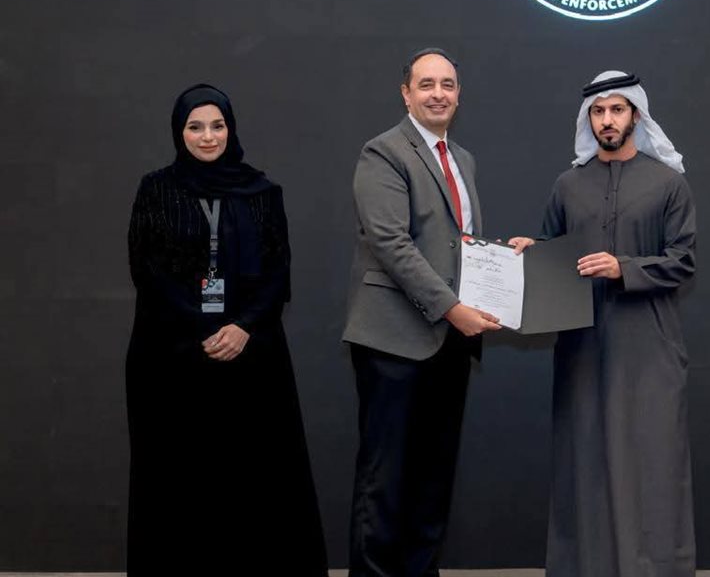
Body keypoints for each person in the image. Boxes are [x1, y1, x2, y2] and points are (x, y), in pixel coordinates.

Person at [125, 83, 326, 576]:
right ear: (179, 132)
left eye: (217, 126)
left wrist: (241, 327)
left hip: (250, 356)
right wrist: (203, 327)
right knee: (179, 478)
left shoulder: (262, 192)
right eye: (195, 127)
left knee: (253, 477)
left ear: (231, 129)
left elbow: (278, 272)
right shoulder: (156, 189)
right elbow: (146, 269)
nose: (208, 136)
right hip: (172, 358)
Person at [511, 70, 697, 577]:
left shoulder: (669, 184)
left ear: (635, 115)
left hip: (649, 347)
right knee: (585, 462)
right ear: (588, 119)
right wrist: (530, 253)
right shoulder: (568, 186)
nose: (607, 120)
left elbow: (683, 262)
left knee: (652, 462)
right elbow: (552, 253)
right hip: (583, 350)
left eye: (617, 110)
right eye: (598, 111)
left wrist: (624, 268)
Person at [343, 48, 500, 577]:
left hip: (449, 343)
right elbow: (392, 244)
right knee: (385, 483)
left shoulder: (463, 159)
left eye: (447, 85)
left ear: (459, 95)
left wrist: (507, 261)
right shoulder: (383, 152)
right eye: (426, 84)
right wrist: (453, 308)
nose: (438, 94)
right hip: (393, 340)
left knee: (432, 481)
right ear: (406, 93)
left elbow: (459, 245)